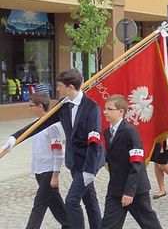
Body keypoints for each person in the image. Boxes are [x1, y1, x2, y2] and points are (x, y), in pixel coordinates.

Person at [1, 69, 104, 229]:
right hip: (74, 161)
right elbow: (41, 123)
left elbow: (94, 141)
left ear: (70, 87)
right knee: (90, 200)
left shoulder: (91, 107)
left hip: (88, 162)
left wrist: (89, 171)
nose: (57, 89)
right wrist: (15, 137)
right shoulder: (63, 105)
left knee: (72, 200)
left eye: (60, 86)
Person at [101, 95, 162, 229]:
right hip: (115, 189)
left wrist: (129, 192)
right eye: (105, 109)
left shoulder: (130, 132)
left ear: (121, 112)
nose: (105, 112)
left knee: (149, 224)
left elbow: (137, 163)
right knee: (108, 225)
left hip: (135, 189)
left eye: (109, 109)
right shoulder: (107, 132)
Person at [24, 92, 69, 229]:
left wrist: (55, 174)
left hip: (49, 172)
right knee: (55, 204)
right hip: (39, 171)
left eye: (31, 105)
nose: (29, 108)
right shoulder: (36, 124)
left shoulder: (52, 126)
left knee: (39, 204)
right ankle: (69, 224)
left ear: (40, 106)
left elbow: (58, 151)